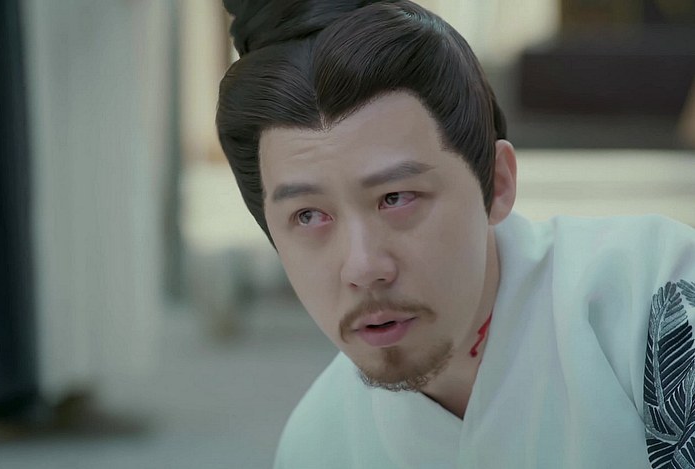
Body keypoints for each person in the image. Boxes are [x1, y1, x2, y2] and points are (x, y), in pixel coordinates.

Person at [216, 1, 695, 467]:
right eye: (308, 216)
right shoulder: (319, 444)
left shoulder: (651, 301)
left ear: (497, 183)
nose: (363, 266)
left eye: (396, 198)